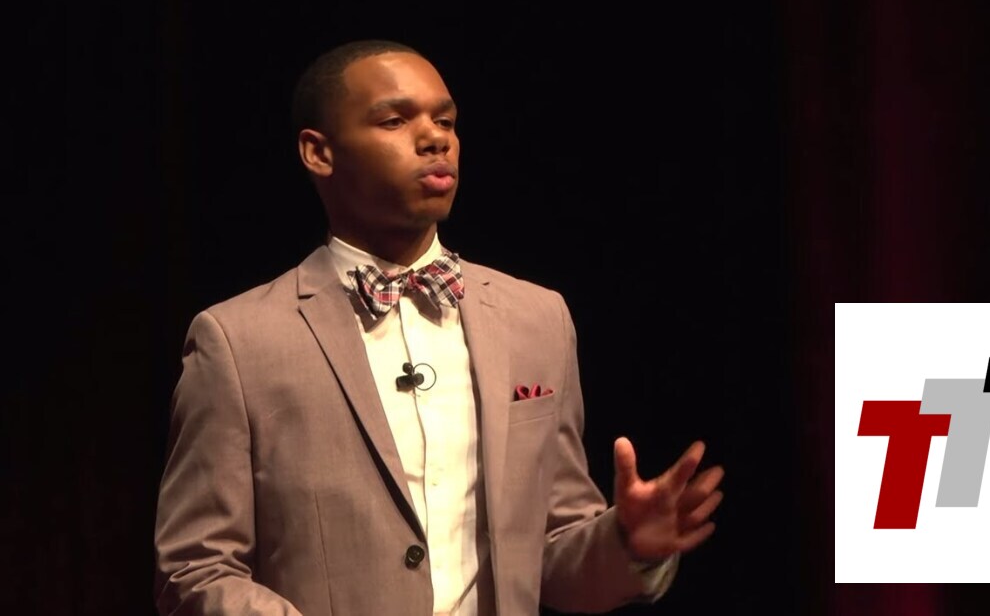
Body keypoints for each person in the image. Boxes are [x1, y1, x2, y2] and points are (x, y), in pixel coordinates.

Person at [153, 39, 724, 616]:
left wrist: (627, 545)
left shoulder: (537, 318)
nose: (435, 138)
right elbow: (195, 569)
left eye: (445, 121)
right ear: (319, 153)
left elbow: (548, 555)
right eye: (395, 120)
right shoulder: (239, 340)